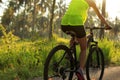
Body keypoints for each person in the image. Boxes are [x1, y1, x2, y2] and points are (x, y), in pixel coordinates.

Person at [61, 0, 111, 79]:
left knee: (76, 37)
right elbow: (100, 16)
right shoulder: (91, 2)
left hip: (64, 24)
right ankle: (80, 70)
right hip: (77, 24)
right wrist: (107, 25)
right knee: (84, 49)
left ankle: (69, 53)